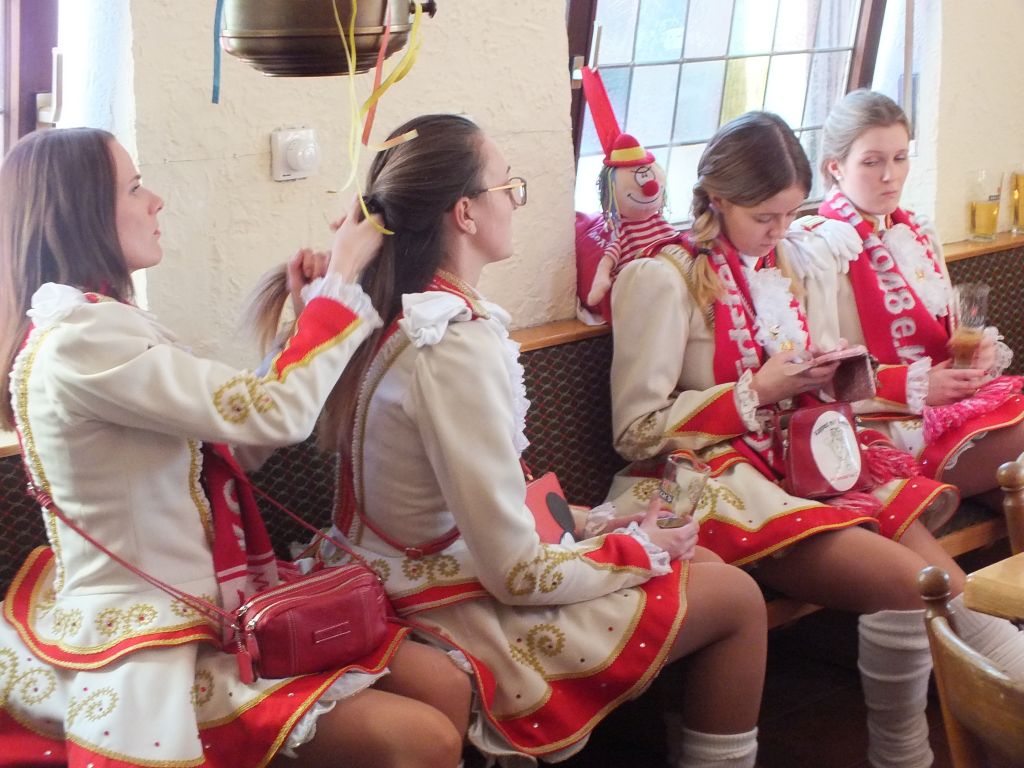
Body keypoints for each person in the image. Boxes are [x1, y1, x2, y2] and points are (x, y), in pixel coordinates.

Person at [288, 113, 768, 768]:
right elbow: (516, 572)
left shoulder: (396, 312)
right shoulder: (450, 345)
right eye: (506, 186)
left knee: (703, 566)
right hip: (439, 600)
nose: (516, 201)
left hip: (397, 567)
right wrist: (637, 549)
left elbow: (487, 501)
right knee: (737, 599)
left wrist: (600, 522)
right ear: (465, 213)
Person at [0, 127, 471, 768]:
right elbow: (275, 416)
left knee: (444, 683)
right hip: (159, 627)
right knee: (424, 737)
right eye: (134, 188)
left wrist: (306, 321)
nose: (156, 201)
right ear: (79, 212)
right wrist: (340, 278)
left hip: (218, 601)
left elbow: (230, 445)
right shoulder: (80, 339)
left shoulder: (100, 323)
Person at [605, 111, 1024, 768]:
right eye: (765, 217)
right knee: (919, 584)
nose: (780, 232)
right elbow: (635, 432)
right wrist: (756, 391)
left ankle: (913, 750)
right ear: (717, 198)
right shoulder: (661, 277)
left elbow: (829, 368)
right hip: (717, 484)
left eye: (790, 214)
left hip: (812, 458)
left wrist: (836, 372)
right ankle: (907, 752)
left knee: (941, 579)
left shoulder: (787, 262)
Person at [793, 88, 1024, 507]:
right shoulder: (818, 248)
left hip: (950, 407)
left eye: (900, 158)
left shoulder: (916, 230)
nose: (891, 175)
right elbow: (818, 378)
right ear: (835, 167)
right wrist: (915, 386)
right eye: (872, 162)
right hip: (877, 425)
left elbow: (950, 333)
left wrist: (978, 353)